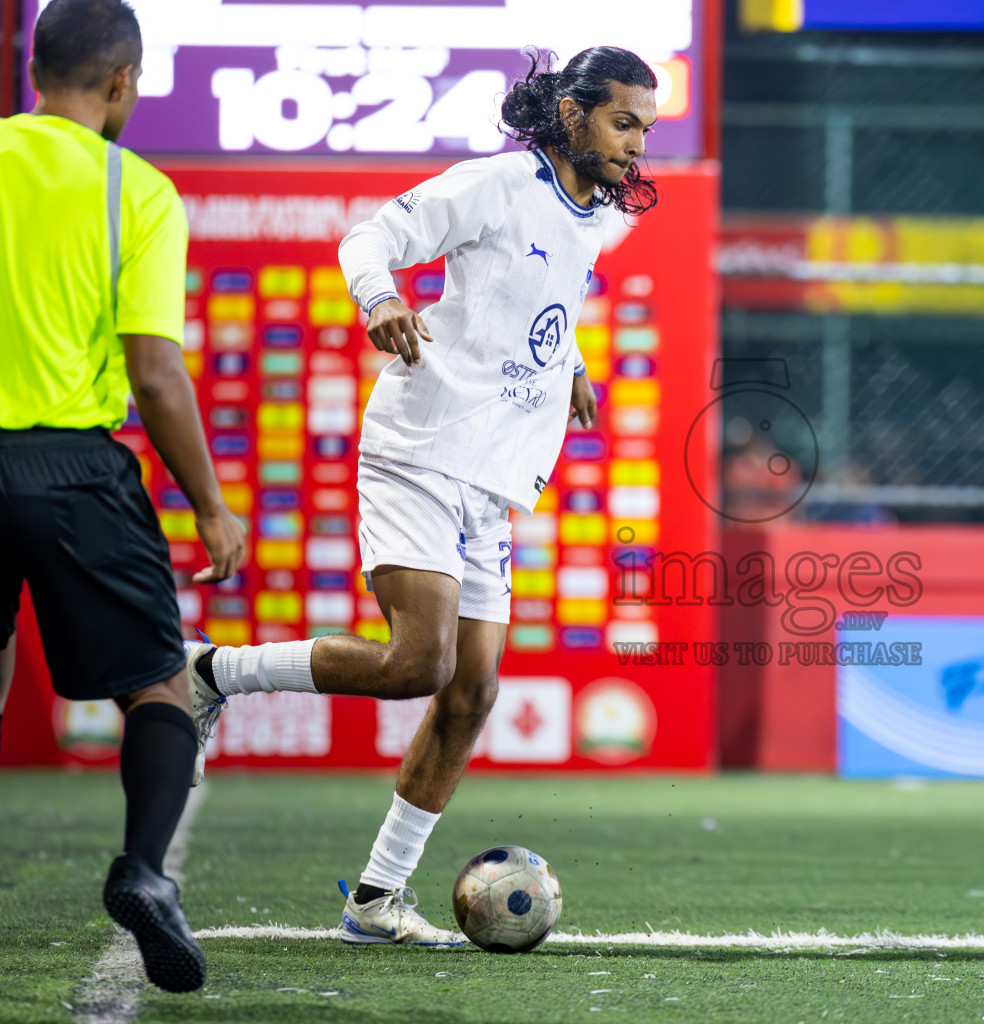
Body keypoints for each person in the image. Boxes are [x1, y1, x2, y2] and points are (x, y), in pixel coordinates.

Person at [182, 47, 658, 945]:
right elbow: (369, 237)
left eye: (645, 128)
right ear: (570, 115)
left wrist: (575, 364)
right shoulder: (495, 183)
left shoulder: (595, 215)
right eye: (622, 122)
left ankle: (373, 902)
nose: (637, 145)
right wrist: (379, 300)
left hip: (495, 479)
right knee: (421, 666)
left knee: (471, 695)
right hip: (421, 451)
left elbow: (536, 296)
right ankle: (213, 671)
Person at [0, 0, 246, 993]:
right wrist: (211, 504)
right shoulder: (135, 191)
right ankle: (145, 871)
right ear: (121, 84)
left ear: (32, 74)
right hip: (71, 467)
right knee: (157, 683)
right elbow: (153, 371)